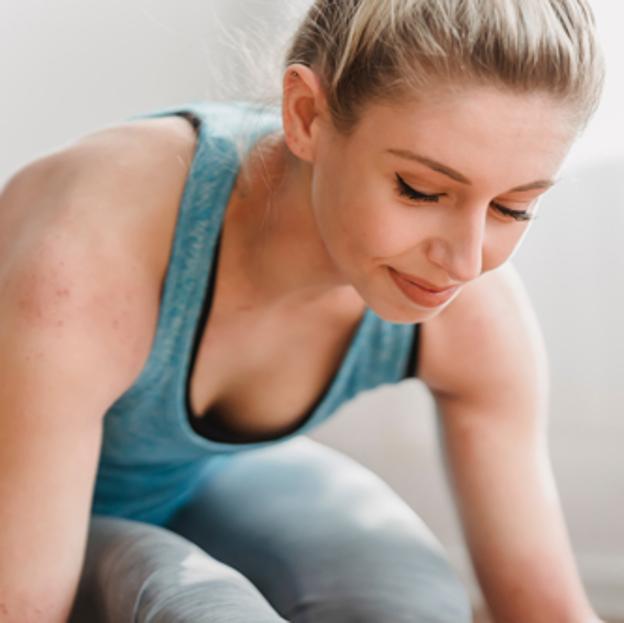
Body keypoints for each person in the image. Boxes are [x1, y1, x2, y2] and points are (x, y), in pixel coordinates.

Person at [0, 0, 607, 621]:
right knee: (205, 612)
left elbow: (545, 608)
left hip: (187, 482)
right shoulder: (88, 251)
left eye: (513, 207)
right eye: (420, 190)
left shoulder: (473, 310)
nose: (464, 261)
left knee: (407, 603)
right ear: (307, 115)